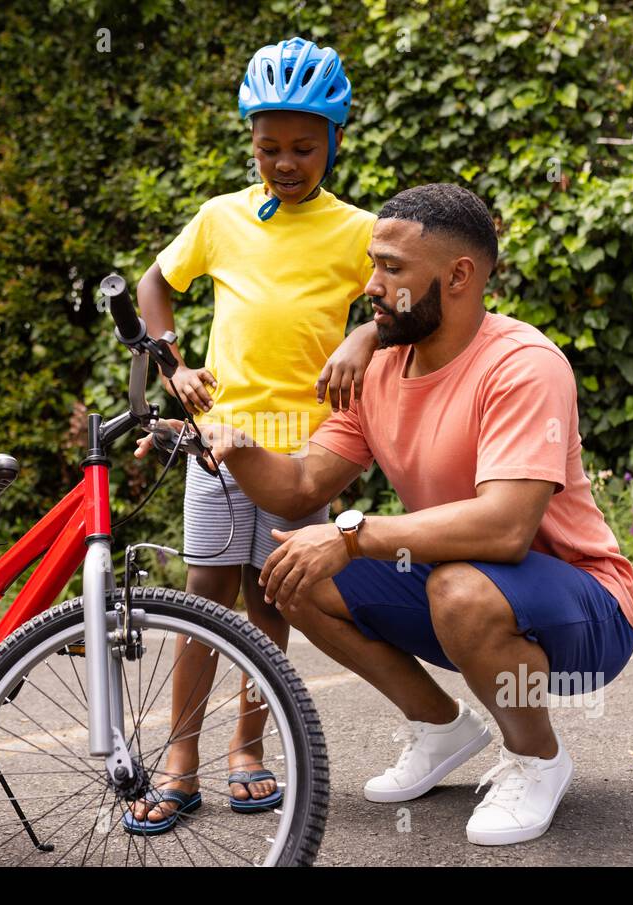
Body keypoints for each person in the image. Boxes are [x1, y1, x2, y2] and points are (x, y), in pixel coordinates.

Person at [137, 182, 633, 846]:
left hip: (587, 608)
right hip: (464, 588)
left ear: (459, 275)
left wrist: (351, 535)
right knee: (290, 575)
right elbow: (299, 484)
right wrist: (228, 445)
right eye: (373, 262)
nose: (370, 285)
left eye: (391, 268)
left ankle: (537, 758)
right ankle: (440, 726)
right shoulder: (379, 371)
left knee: (456, 588)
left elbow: (506, 527)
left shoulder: (522, 364)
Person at [125, 36, 379, 833]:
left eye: (305, 147)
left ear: (334, 140)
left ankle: (248, 745)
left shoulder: (359, 230)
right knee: (206, 594)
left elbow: (400, 300)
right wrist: (173, 368)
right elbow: (154, 285)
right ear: (251, 143)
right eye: (269, 147)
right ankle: (180, 757)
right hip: (220, 435)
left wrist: (363, 338)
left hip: (300, 451)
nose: (287, 162)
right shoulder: (220, 217)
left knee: (275, 596)